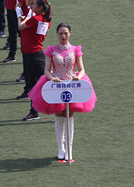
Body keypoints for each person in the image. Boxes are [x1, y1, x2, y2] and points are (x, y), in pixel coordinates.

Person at [28, 23, 97, 162]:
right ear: (57, 34)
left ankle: (69, 149)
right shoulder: (51, 50)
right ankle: (61, 148)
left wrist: (78, 76)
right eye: (61, 33)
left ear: (70, 33)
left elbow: (82, 68)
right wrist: (52, 78)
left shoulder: (75, 49)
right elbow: (46, 70)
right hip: (57, 85)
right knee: (58, 114)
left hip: (72, 85)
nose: (63, 36)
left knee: (69, 115)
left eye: (66, 33)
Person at [18, 0, 52, 121]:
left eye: (34, 5)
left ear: (41, 7)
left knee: (42, 83)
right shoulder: (40, 18)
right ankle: (34, 111)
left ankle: (59, 106)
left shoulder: (37, 18)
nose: (32, 6)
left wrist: (19, 16)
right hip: (31, 53)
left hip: (34, 54)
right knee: (34, 84)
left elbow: (20, 27)